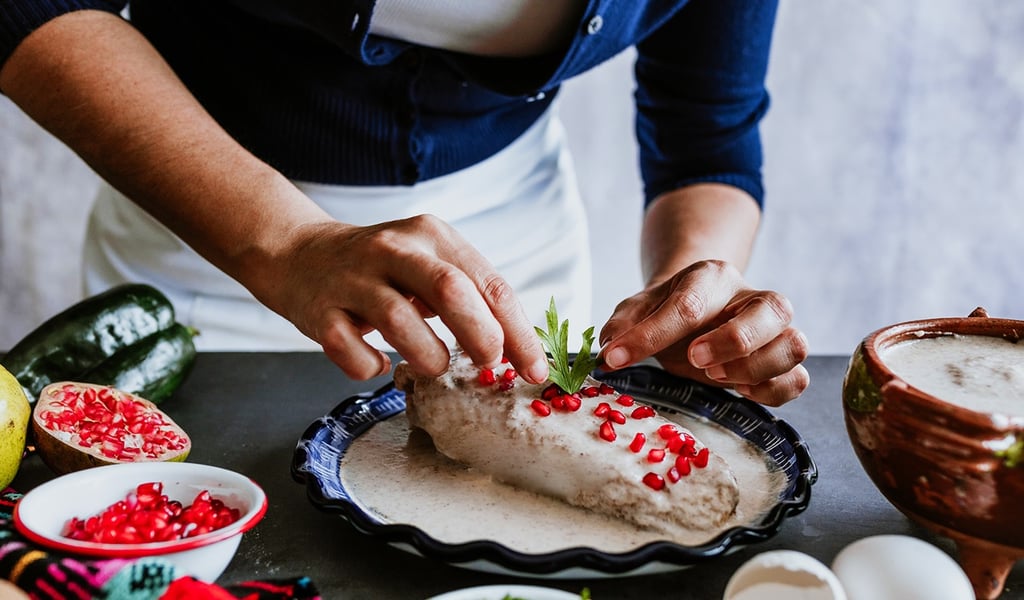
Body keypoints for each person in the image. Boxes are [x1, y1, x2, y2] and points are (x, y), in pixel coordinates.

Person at [0, 1, 809, 407]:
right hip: (211, 234)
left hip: (520, 259)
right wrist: (286, 241)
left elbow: (708, 133)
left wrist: (691, 295)